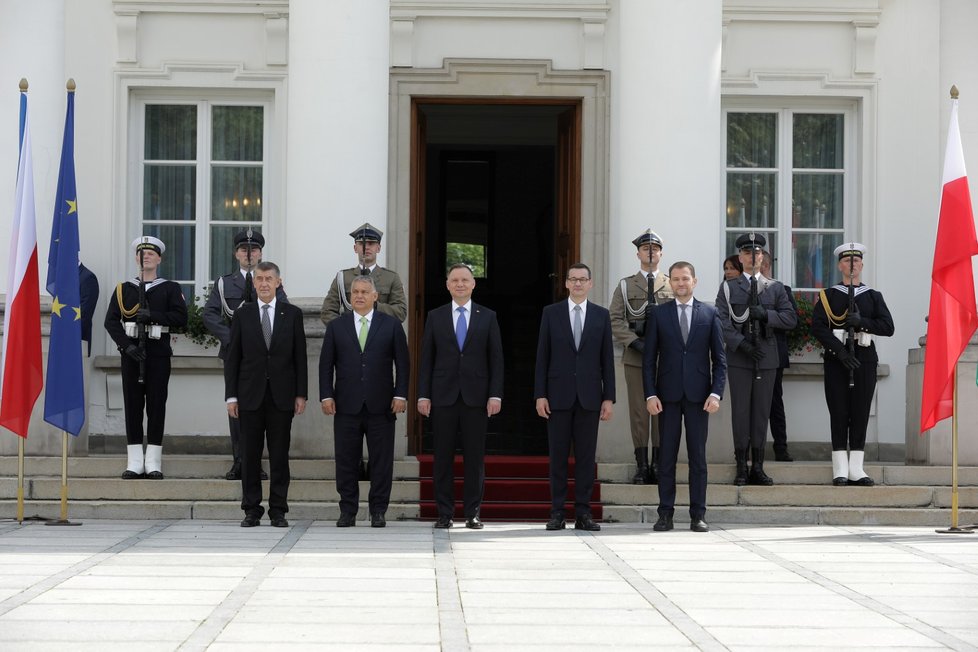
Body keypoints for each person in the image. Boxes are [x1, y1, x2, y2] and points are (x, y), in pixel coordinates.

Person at [418, 264, 504, 529]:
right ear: (447, 284)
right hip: (443, 396)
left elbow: (496, 359)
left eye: (465, 280)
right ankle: (444, 512)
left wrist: (495, 395)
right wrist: (423, 395)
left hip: (476, 398)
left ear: (473, 284)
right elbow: (426, 360)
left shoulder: (487, 316)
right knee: (442, 457)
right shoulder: (435, 316)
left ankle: (472, 512)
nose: (460, 284)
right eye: (454, 280)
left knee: (474, 458)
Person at [320, 276, 410, 528]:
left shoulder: (391, 325)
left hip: (382, 406)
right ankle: (347, 511)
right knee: (346, 460)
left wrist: (400, 395)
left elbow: (403, 364)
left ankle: (378, 510)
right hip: (346, 405)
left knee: (381, 461)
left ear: (375, 296)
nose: (358, 296)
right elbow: (326, 365)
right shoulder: (337, 327)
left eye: (364, 292)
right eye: (354, 292)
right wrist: (326, 395)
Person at [643, 261, 726, 533]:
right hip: (665, 396)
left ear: (694, 281)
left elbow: (720, 360)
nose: (680, 283)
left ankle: (697, 515)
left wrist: (716, 393)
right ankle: (665, 514)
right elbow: (648, 360)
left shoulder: (710, 313)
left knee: (698, 459)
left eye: (685, 278)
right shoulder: (658, 314)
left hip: (699, 396)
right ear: (670, 282)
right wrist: (650, 394)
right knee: (665, 457)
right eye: (676, 279)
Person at [224, 261, 307, 528]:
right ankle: (251, 509)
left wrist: (301, 394)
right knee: (249, 455)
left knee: (280, 455)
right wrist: (231, 396)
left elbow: (300, 358)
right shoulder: (243, 314)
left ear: (278, 282)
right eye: (259, 278)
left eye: (268, 279)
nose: (263, 283)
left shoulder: (292, 314)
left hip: (282, 396)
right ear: (254, 283)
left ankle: (278, 509)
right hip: (249, 396)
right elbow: (233, 358)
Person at [535, 263, 615, 532]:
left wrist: (609, 397)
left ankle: (583, 513)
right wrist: (540, 395)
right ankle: (557, 512)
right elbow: (542, 357)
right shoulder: (551, 313)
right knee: (557, 457)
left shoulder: (601, 316)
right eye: (573, 279)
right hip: (557, 397)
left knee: (585, 457)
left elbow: (607, 360)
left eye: (583, 279)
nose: (578, 284)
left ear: (591, 283)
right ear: (566, 283)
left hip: (590, 398)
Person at [203, 229, 286, 480]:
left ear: (260, 253)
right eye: (243, 250)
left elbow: (282, 311)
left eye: (254, 250)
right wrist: (234, 339)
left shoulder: (269, 280)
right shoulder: (224, 283)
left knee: (261, 407)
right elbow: (209, 315)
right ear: (236, 253)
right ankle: (239, 461)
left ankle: (256, 464)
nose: (249, 255)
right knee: (237, 406)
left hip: (264, 355)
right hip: (235, 355)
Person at [715, 233, 796, 486]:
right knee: (740, 413)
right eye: (747, 252)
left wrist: (767, 315)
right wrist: (741, 345)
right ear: (740, 257)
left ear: (763, 257)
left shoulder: (776, 287)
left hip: (767, 356)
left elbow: (790, 318)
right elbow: (721, 322)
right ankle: (741, 466)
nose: (752, 256)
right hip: (741, 358)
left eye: (757, 252)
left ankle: (758, 467)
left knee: (761, 413)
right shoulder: (729, 288)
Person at [104, 236, 187, 479]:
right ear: (136, 258)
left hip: (158, 353)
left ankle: (153, 461)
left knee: (156, 405)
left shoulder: (170, 288)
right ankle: (134, 461)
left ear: (159, 258)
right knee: (132, 406)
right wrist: (126, 347)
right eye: (142, 253)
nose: (146, 256)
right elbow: (111, 321)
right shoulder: (124, 289)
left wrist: (153, 315)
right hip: (132, 354)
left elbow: (181, 318)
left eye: (151, 253)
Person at [811, 243, 894, 486]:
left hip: (864, 358)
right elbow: (818, 326)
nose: (852, 264)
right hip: (837, 360)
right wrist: (839, 351)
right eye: (847, 261)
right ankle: (840, 467)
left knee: (860, 411)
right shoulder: (829, 296)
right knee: (838, 411)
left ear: (862, 265)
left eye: (856, 260)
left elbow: (888, 327)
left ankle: (856, 467)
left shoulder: (872, 296)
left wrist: (862, 322)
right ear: (840, 265)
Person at [609, 228, 673, 485]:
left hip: (664, 358)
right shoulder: (626, 285)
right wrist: (634, 342)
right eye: (645, 248)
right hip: (636, 356)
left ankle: (658, 463)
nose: (650, 252)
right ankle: (641, 465)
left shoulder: (671, 283)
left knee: (661, 411)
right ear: (638, 253)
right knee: (639, 411)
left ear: (661, 253)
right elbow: (614, 318)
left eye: (655, 249)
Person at [320, 223, 407, 326]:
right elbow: (327, 311)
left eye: (371, 243)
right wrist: (344, 329)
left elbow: (400, 312)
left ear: (378, 248)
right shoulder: (343, 277)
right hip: (350, 336)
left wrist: (374, 305)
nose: (366, 247)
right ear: (355, 248)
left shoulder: (391, 278)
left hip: (379, 334)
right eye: (362, 244)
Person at [759, 249, 797, 462]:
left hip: (774, 352)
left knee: (774, 403)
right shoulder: (742, 288)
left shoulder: (781, 289)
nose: (761, 267)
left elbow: (791, 321)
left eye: (763, 263)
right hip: (751, 354)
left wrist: (767, 317)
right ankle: (751, 448)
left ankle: (780, 448)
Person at [79, 261, 99, 357]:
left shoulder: (87, 277)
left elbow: (85, 315)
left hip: (76, 341)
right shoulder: (61, 277)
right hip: (60, 342)